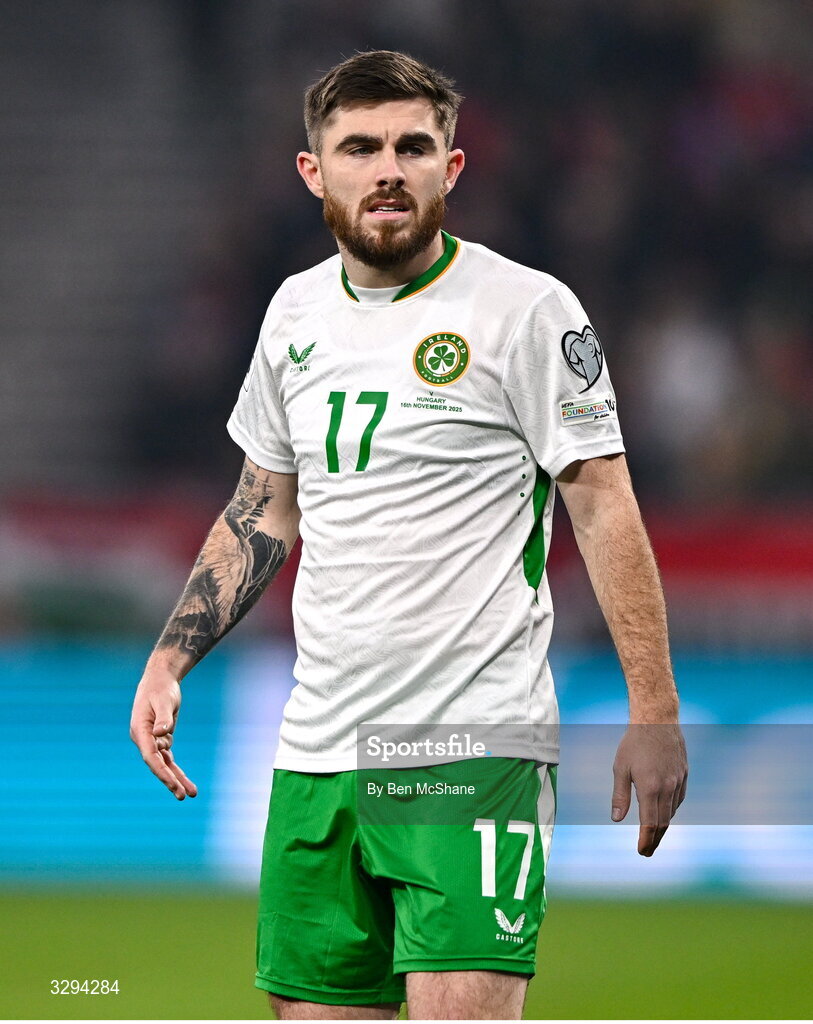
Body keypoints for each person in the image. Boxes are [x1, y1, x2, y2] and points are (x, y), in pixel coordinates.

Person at [129, 50, 688, 1021]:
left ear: (451, 168)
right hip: (316, 753)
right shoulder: (293, 315)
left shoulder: (527, 312)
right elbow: (263, 507)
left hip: (471, 745)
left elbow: (603, 503)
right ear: (315, 172)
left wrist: (654, 706)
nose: (386, 167)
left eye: (411, 146)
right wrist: (170, 658)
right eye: (359, 147)